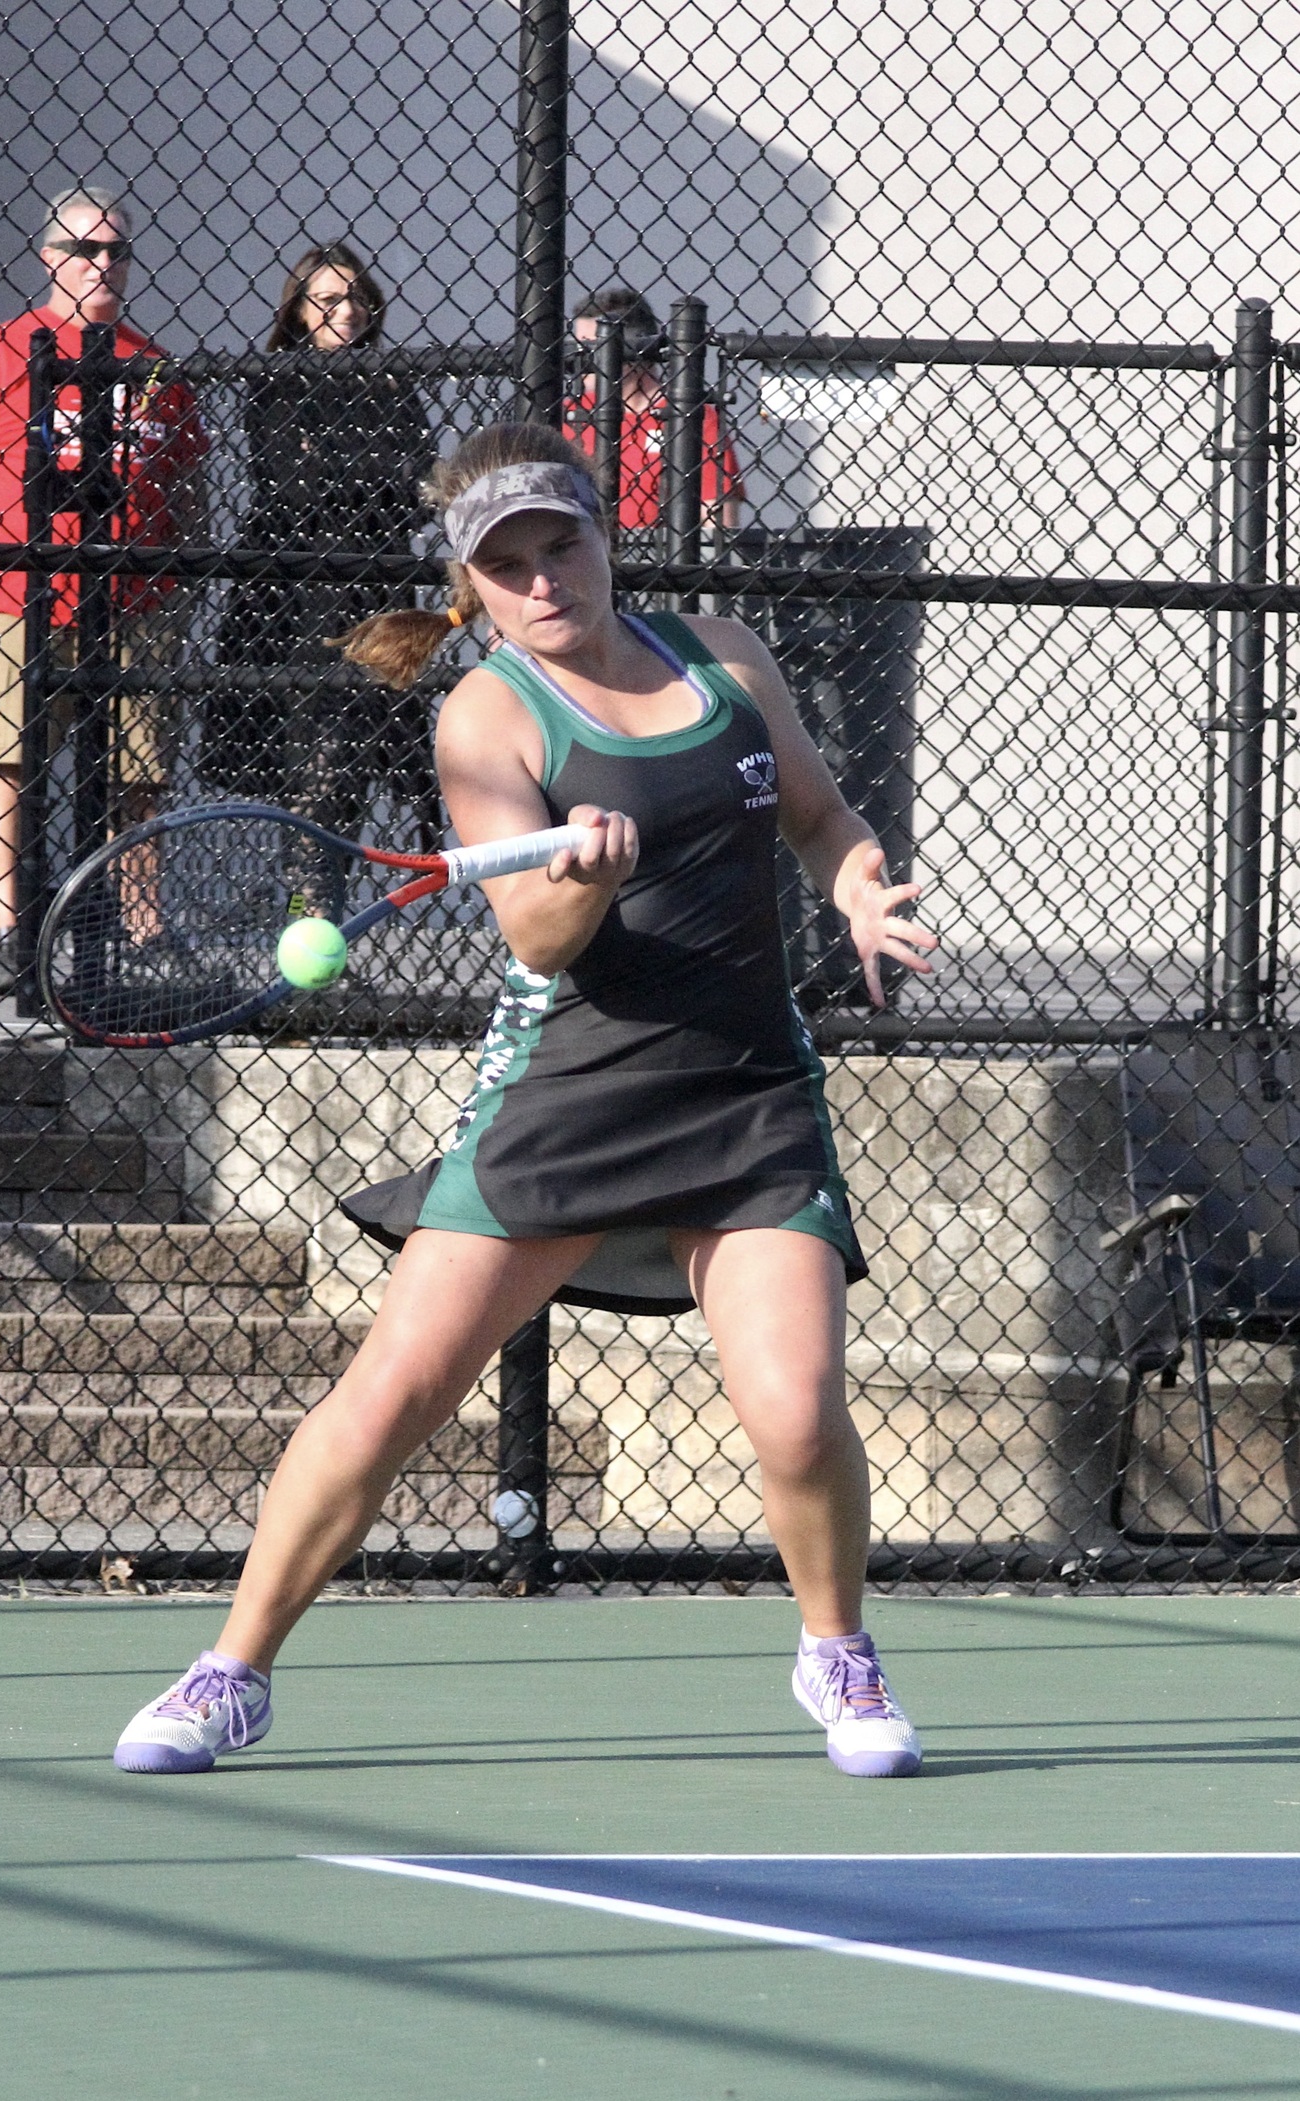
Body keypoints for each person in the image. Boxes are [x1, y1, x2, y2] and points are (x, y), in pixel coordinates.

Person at [111, 421, 937, 1783]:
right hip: (569, 1088)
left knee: (794, 1411)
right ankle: (231, 1669)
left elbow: (820, 818)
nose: (546, 579)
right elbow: (540, 941)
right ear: (474, 588)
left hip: (745, 1087)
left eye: (564, 544)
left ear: (603, 538)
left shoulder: (726, 653)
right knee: (394, 1393)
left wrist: (853, 882)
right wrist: (590, 876)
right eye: (511, 564)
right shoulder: (487, 714)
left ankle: (838, 1647)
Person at [0, 185, 204, 996]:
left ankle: (141, 932)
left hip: (136, 604)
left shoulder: (155, 365)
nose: (103, 264)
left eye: (116, 251)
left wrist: (183, 589)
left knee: (140, 778)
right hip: (16, 599)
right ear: (48, 258)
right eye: (84, 250)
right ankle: (12, 930)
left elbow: (187, 485)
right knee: (11, 763)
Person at [204, 239, 436, 875]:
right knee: (312, 763)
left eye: (359, 296)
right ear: (299, 312)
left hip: (378, 589)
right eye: (330, 298)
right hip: (296, 599)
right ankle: (308, 925)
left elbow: (420, 486)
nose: (349, 310)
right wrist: (379, 473)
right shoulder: (276, 382)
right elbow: (293, 484)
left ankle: (318, 921)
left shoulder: (391, 382)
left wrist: (354, 470)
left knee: (357, 760)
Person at [566, 286, 744, 542]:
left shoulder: (691, 417)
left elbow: (718, 526)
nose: (578, 359)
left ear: (634, 345)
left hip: (659, 569)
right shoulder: (571, 417)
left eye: (591, 347)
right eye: (576, 346)